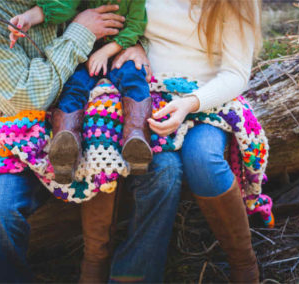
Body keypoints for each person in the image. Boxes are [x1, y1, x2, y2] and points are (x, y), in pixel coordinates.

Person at [0, 0, 182, 282]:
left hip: (106, 115)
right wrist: (80, 31)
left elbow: (135, 17)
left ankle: (132, 275)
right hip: (25, 134)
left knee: (166, 171)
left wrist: (136, 45)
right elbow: (28, 98)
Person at [109, 0, 263, 282]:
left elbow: (236, 73)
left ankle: (244, 263)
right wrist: (133, 44)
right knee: (162, 168)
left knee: (203, 159)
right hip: (151, 95)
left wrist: (190, 104)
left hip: (208, 101)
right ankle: (135, 276)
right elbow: (128, 20)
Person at [8, 0, 152, 184]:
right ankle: (65, 145)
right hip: (86, 54)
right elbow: (61, 6)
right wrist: (28, 18)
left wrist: (107, 51)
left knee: (134, 78)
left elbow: (136, 26)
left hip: (119, 52)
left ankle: (137, 136)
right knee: (74, 85)